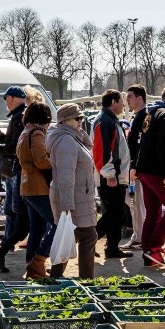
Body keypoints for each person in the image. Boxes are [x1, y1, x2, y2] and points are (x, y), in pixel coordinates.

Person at [46, 104, 98, 279]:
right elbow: (65, 175)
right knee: (86, 238)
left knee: (68, 241)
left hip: (79, 199)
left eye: (81, 118)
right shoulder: (66, 141)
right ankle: (87, 282)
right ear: (65, 120)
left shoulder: (71, 138)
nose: (80, 121)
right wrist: (67, 206)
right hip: (74, 200)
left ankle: (55, 281)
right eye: (77, 118)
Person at [136, 85, 165, 269]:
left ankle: (149, 255)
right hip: (158, 171)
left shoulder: (150, 114)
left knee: (153, 212)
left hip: (144, 170)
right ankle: (154, 247)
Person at [0, 86, 29, 274]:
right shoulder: (19, 116)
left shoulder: (19, 117)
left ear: (12, 98)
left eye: (6, 98)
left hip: (16, 171)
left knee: (18, 217)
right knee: (19, 217)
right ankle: (6, 248)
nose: (5, 101)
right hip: (16, 172)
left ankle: (5, 247)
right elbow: (14, 145)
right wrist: (1, 138)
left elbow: (14, 147)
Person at [17, 103, 58, 279]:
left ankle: (32, 265)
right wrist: (58, 164)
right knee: (58, 224)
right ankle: (38, 261)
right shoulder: (37, 133)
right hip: (39, 187)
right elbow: (41, 161)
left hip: (27, 186)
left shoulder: (25, 131)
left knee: (37, 228)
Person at [91, 89, 132, 258]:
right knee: (117, 212)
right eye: (121, 101)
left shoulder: (111, 121)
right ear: (113, 102)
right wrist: (109, 174)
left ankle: (112, 247)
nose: (123, 105)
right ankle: (89, 240)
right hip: (109, 176)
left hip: (116, 175)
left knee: (115, 213)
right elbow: (101, 151)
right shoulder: (104, 121)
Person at [121, 84, 148, 251]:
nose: (127, 100)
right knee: (134, 202)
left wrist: (134, 166)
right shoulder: (138, 116)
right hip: (136, 167)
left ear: (140, 98)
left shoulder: (143, 116)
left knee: (137, 203)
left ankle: (139, 237)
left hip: (137, 169)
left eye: (130, 97)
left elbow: (139, 145)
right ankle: (139, 235)